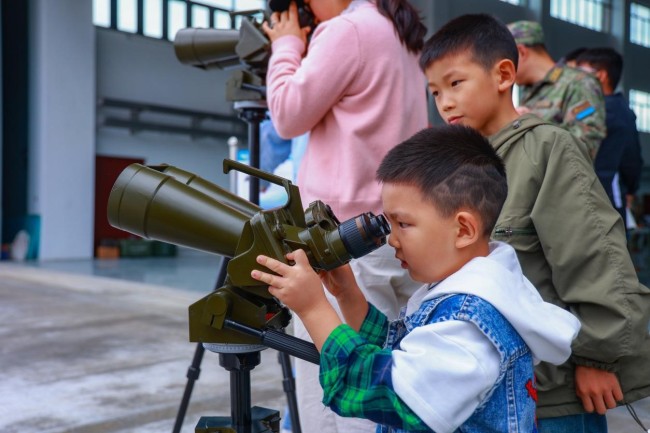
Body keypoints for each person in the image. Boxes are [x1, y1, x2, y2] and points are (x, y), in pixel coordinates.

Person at [250, 124, 581, 432]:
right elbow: (404, 350)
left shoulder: (471, 325)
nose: (392, 239)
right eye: (389, 224)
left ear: (463, 229)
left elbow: (388, 392)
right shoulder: (474, 289)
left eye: (403, 224)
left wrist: (313, 309)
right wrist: (348, 294)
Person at [420, 13, 650, 433]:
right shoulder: (459, 167)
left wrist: (596, 358)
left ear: (504, 74)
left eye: (455, 83)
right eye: (435, 91)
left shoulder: (544, 150)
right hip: (488, 384)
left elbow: (592, 255)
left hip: (554, 394)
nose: (445, 102)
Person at [262, 1, 429, 431]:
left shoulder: (348, 31)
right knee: (385, 377)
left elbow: (285, 113)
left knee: (339, 385)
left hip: (342, 241)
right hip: (395, 234)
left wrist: (285, 46)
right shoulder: (400, 34)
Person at [507, 20, 606, 159]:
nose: (503, 71)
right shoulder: (530, 91)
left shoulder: (579, 84)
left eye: (505, 61)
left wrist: (533, 126)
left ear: (521, 52)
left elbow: (586, 143)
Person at [576, 47, 644, 229]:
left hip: (605, 193)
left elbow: (632, 159)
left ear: (601, 76)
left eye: (580, 73)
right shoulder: (593, 107)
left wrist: (630, 188)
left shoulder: (609, 109)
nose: (575, 79)